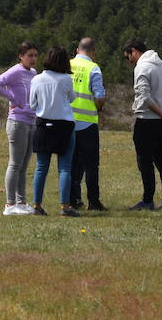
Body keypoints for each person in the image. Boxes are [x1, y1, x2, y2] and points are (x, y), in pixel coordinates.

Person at [125, 39, 162, 211]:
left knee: (145, 162)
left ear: (133, 51)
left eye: (128, 57)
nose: (129, 61)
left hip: (146, 121)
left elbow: (144, 97)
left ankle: (147, 200)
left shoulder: (142, 67)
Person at [0, 41, 38, 215]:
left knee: (24, 165)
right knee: (15, 163)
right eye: (29, 55)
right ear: (21, 56)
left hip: (31, 121)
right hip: (17, 122)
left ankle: (21, 202)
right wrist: (13, 99)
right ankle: (9, 205)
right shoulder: (15, 71)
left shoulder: (33, 73)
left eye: (35, 55)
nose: (33, 59)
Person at [28, 46, 78, 217]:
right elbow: (72, 98)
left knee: (41, 167)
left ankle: (37, 205)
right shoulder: (66, 79)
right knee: (64, 168)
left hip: (43, 125)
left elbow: (32, 104)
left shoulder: (37, 79)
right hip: (64, 126)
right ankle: (65, 207)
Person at [69, 37, 108, 211]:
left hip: (68, 121)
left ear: (77, 50)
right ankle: (93, 201)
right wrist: (98, 108)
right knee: (91, 164)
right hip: (87, 123)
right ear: (93, 52)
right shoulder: (93, 68)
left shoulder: (66, 65)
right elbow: (99, 96)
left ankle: (73, 199)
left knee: (71, 164)